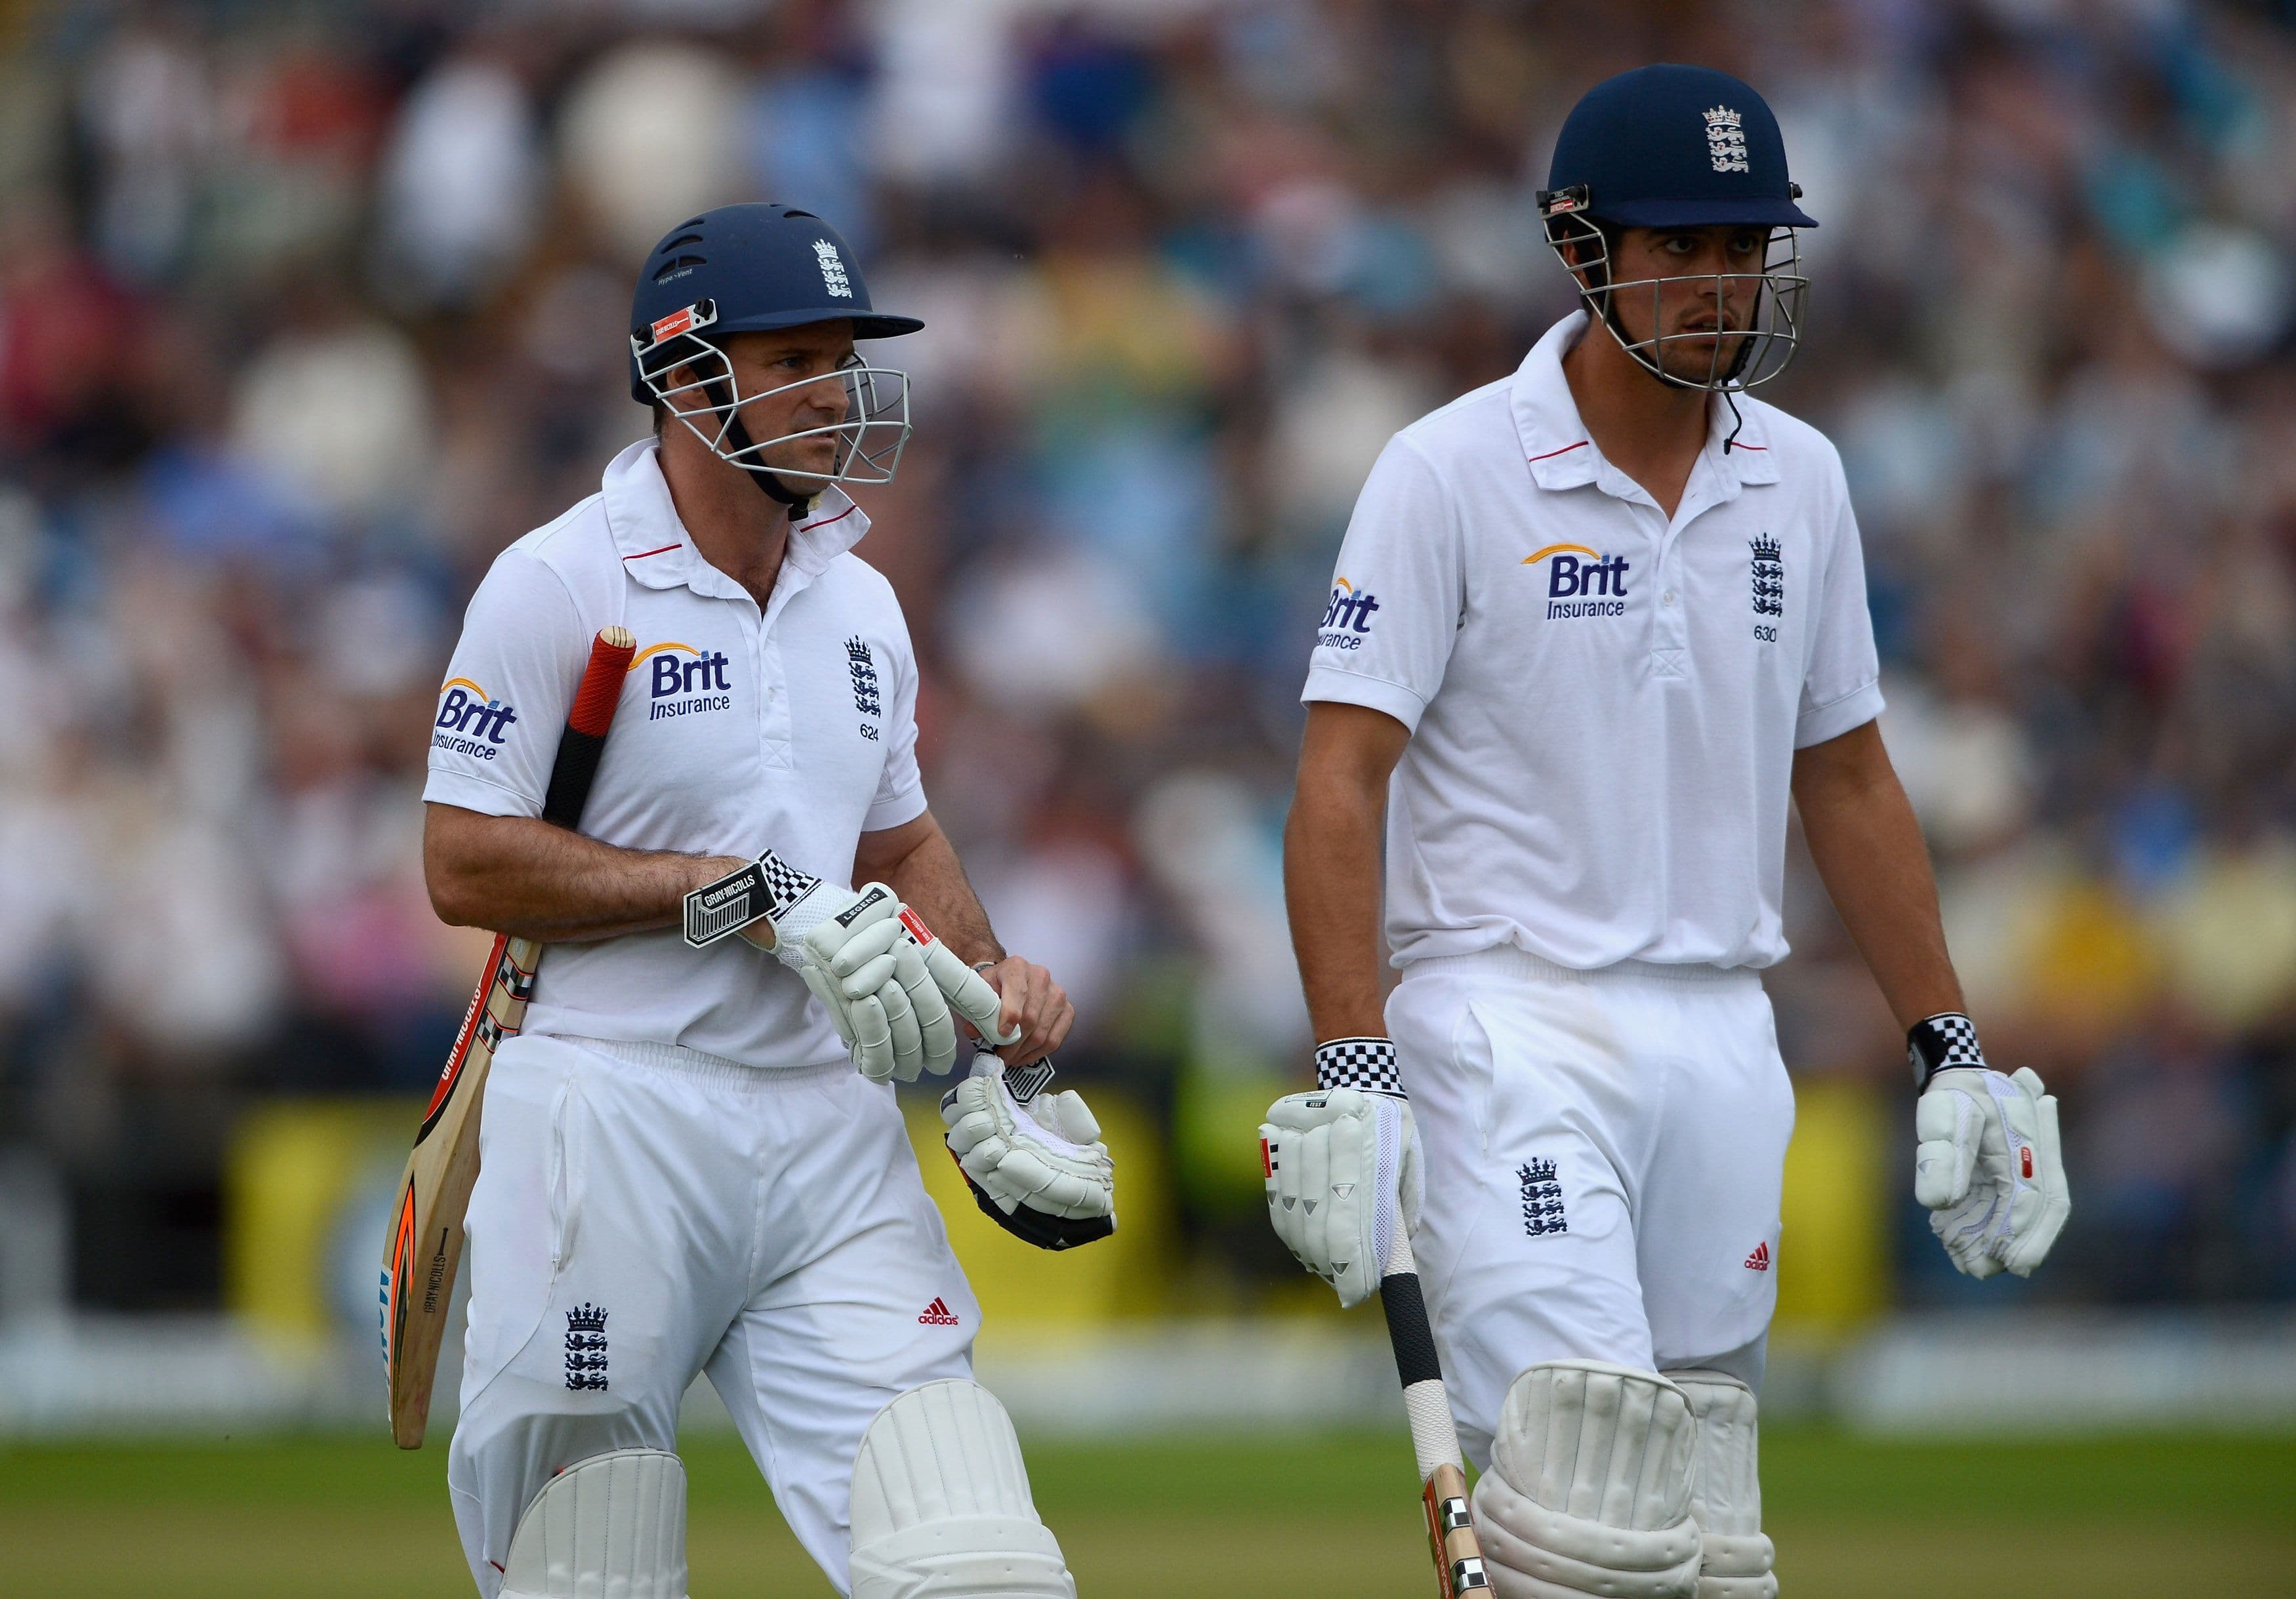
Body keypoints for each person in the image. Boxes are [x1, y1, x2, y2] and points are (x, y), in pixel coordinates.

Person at [1260, 65, 2070, 1599]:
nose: (1720, 286)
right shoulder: (1448, 469)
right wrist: (1352, 1063)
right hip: (1509, 1025)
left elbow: (1844, 777)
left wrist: (1944, 1043)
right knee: (1595, 1507)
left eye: (1745, 246)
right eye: (1680, 247)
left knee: (1706, 1527)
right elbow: (1338, 776)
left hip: (1720, 1036)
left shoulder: (1804, 479)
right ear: (1582, 248)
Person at [423, 202, 1112, 1599]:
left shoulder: (859, 601)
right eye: (795, 358)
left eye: (841, 357)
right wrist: (735, 895)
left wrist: (994, 990)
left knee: (976, 1560)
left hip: (826, 1124)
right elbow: (463, 860)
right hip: (613, 1103)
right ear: (686, 379)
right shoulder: (558, 580)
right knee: (586, 1564)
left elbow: (899, 841)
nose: (837, 392)